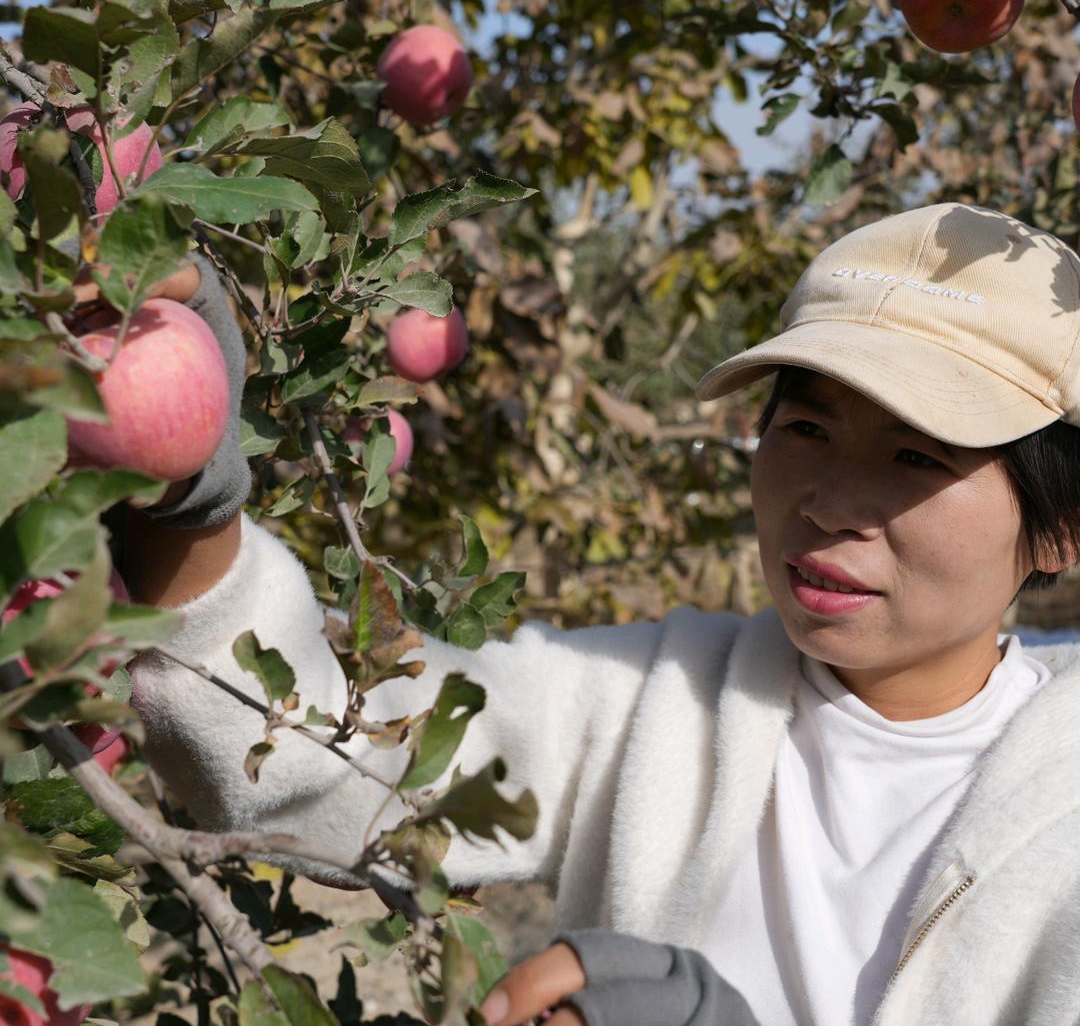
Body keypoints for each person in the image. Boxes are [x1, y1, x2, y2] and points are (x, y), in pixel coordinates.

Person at [116, 203, 1080, 1026]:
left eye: (918, 458)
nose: (828, 503)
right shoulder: (654, 708)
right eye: (806, 429)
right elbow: (317, 749)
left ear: (1062, 532)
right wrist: (186, 475)